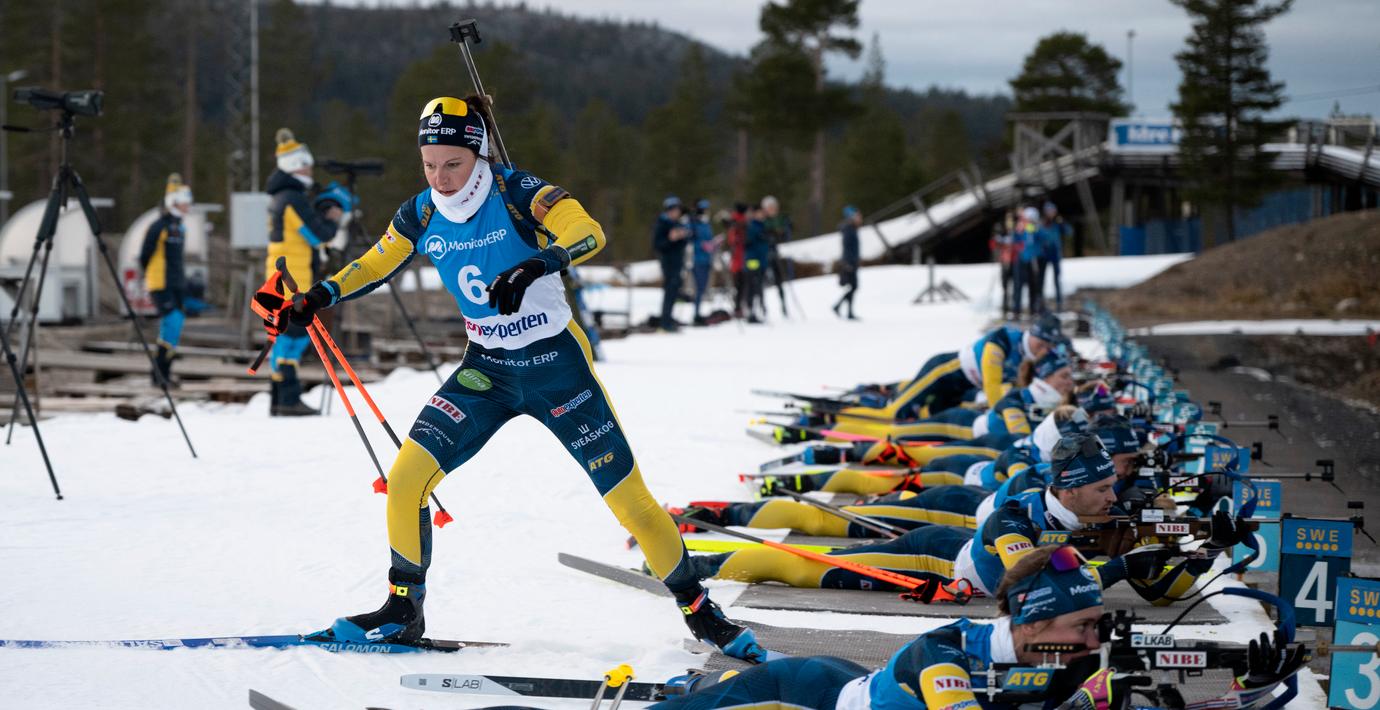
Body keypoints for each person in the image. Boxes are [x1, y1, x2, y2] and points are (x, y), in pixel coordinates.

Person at [286, 95, 766, 661]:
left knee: (629, 502)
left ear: (478, 153)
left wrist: (540, 261)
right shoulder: (420, 212)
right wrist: (320, 294)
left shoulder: (519, 193)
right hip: (486, 370)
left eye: (453, 165)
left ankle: (701, 611)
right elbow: (376, 261)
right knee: (407, 477)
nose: (441, 178)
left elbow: (588, 231)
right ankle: (402, 610)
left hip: (555, 369)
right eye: (430, 165)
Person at [653, 545, 1116, 709]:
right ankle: (701, 687)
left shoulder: (1057, 658)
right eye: (1084, 626)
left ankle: (706, 684)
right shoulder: (947, 649)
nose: (1095, 641)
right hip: (801, 697)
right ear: (1034, 624)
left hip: (849, 679)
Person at [264, 128, 342, 416]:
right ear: (295, 166)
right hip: (294, 279)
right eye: (306, 164)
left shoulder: (278, 196)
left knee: (282, 336)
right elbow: (317, 234)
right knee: (296, 336)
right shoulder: (293, 198)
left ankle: (277, 397)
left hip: (279, 275)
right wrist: (334, 219)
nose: (310, 169)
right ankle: (288, 398)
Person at [139, 173, 193, 386]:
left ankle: (162, 375)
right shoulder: (159, 226)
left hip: (176, 282)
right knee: (172, 321)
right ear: (174, 203)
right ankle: (160, 374)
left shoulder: (180, 227)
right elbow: (145, 254)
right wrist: (150, 276)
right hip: (160, 283)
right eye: (184, 202)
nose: (188, 206)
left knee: (174, 327)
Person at [652, 196, 691, 332]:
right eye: (675, 210)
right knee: (669, 291)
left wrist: (682, 236)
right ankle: (665, 322)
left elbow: (682, 244)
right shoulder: (662, 224)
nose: (677, 212)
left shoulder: (676, 223)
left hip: (677, 262)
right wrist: (671, 239)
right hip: (668, 262)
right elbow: (658, 245)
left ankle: (669, 318)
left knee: (674, 291)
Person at [760, 195, 791, 318]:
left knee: (779, 280)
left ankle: (783, 306)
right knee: (761, 280)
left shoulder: (779, 220)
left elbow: (783, 236)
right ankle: (763, 307)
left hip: (774, 253)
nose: (773, 210)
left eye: (774, 207)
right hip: (763, 255)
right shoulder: (762, 220)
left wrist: (783, 232)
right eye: (770, 208)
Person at [688, 198, 717, 325]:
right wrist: (702, 245)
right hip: (697, 260)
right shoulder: (693, 223)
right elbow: (691, 240)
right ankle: (696, 313)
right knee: (698, 288)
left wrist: (713, 245)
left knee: (703, 288)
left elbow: (709, 239)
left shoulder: (706, 224)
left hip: (707, 259)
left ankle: (698, 312)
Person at [1038, 201, 1070, 312]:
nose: (1051, 213)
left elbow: (1069, 232)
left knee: (1057, 278)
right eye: (1049, 211)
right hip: (1044, 253)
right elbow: (1036, 235)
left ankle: (1059, 301)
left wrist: (1062, 224)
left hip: (1055, 253)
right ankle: (1040, 302)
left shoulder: (1057, 223)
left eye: (1053, 211)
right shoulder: (1041, 223)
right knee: (1041, 278)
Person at [743, 202, 770, 323]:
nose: (762, 215)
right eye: (759, 213)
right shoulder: (752, 226)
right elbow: (748, 242)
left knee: (759, 286)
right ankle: (750, 311)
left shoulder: (762, 225)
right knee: (752, 285)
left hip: (762, 260)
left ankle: (757, 310)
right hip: (753, 260)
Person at [1011, 206, 1040, 318]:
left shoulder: (1032, 228)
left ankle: (1033, 309)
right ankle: (1016, 310)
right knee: (1018, 286)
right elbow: (1015, 240)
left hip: (1031, 260)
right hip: (1020, 261)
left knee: (1032, 286)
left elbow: (1037, 240)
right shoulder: (1020, 228)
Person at [832, 204, 861, 320]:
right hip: (849, 262)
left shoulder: (851, 229)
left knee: (853, 286)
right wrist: (848, 263)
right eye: (857, 216)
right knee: (853, 286)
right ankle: (842, 309)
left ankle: (842, 308)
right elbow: (847, 247)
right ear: (851, 217)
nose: (859, 218)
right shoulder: (849, 230)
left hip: (851, 261)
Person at [724, 203, 748, 318]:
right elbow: (732, 240)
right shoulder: (737, 222)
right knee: (740, 285)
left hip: (740, 259)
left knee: (740, 285)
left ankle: (739, 307)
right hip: (739, 259)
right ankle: (738, 308)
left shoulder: (740, 221)